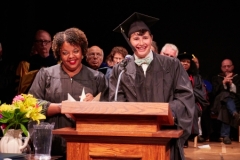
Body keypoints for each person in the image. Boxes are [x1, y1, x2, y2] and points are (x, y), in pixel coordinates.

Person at [111, 12, 195, 160]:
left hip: (165, 134)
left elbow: (184, 96)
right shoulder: (121, 69)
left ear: (151, 38)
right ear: (130, 41)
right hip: (133, 135)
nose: (141, 43)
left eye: (145, 37)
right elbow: (115, 100)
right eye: (136, 38)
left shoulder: (171, 64)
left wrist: (165, 112)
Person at [28, 28, 107, 158]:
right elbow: (31, 105)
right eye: (65, 53)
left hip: (85, 148)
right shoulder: (46, 75)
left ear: (83, 51)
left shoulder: (96, 78)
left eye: (76, 51)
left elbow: (108, 108)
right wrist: (60, 107)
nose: (71, 56)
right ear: (59, 53)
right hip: (51, 148)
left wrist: (94, 103)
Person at [177, 53, 209, 146]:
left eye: (188, 62)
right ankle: (183, 138)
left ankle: (187, 136)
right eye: (183, 61)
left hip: (194, 102)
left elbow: (200, 92)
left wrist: (190, 93)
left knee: (192, 109)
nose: (186, 64)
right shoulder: (175, 75)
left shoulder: (195, 77)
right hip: (179, 101)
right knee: (180, 108)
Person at [211, 59, 240, 144]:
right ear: (221, 68)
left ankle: (225, 136)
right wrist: (223, 83)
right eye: (224, 66)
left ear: (233, 67)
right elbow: (214, 93)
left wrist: (231, 84)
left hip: (234, 103)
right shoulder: (216, 78)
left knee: (225, 108)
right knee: (224, 94)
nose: (226, 68)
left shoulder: (238, 78)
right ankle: (235, 113)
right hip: (218, 104)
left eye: (229, 66)